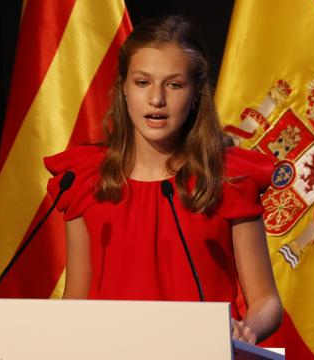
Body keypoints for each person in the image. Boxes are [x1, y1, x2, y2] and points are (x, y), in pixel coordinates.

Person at [44, 15, 282, 344]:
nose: (157, 99)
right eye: (142, 82)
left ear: (197, 92)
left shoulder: (226, 178)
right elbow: (76, 298)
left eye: (174, 84)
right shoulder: (87, 180)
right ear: (123, 88)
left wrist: (247, 329)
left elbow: (266, 301)